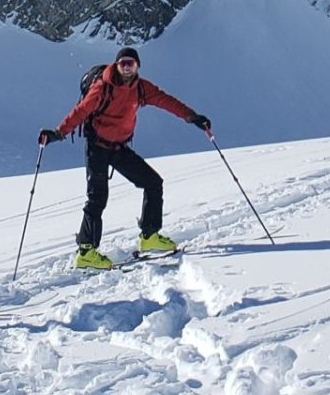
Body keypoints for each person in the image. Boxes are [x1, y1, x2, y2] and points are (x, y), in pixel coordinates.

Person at [39, 45, 210, 270]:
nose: (127, 68)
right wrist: (58, 133)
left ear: (138, 66)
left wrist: (192, 117)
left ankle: (149, 236)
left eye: (131, 64)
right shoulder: (102, 87)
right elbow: (81, 111)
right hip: (97, 147)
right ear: (117, 65)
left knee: (153, 182)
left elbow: (166, 101)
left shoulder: (141, 88)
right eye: (123, 64)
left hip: (119, 147)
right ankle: (86, 251)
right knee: (97, 197)